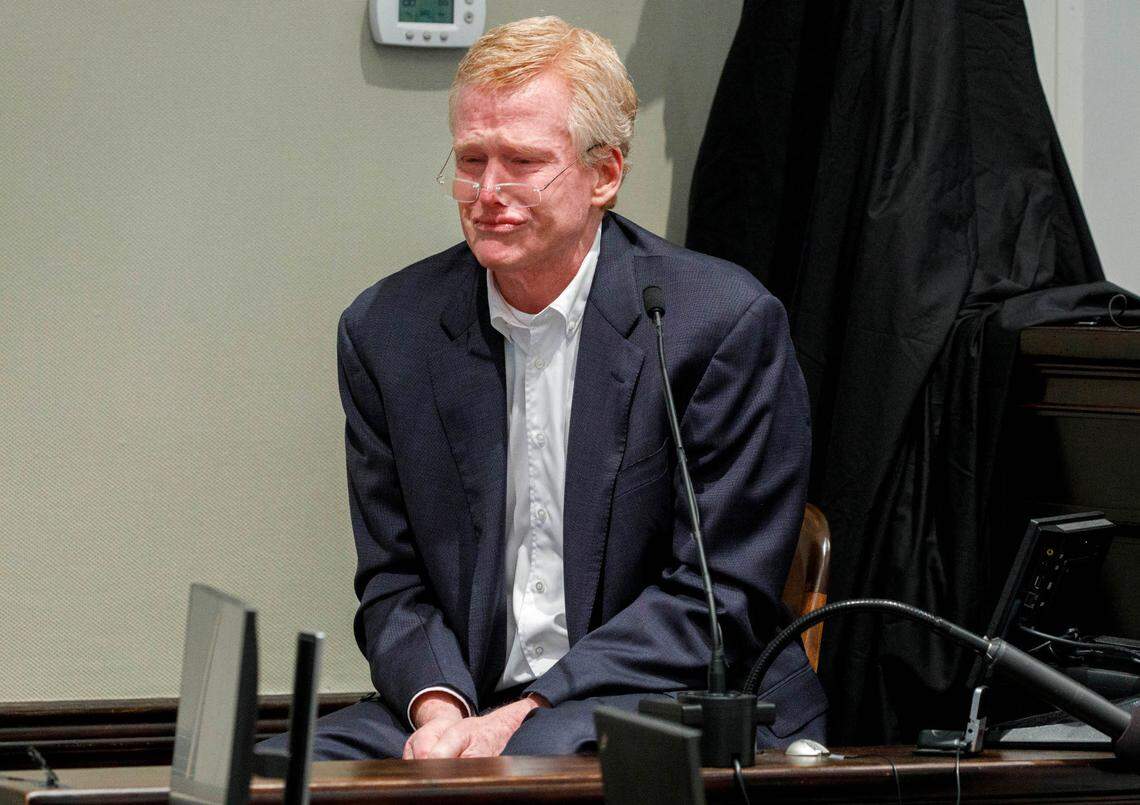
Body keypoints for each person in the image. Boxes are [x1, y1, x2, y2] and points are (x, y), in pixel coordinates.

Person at [270, 15, 826, 760]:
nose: (486, 191)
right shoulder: (386, 333)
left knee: (540, 755)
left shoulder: (716, 325)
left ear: (605, 174)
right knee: (273, 769)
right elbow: (393, 581)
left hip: (657, 691)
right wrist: (440, 712)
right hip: (468, 697)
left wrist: (526, 711)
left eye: (523, 161)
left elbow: (717, 597)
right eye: (471, 160)